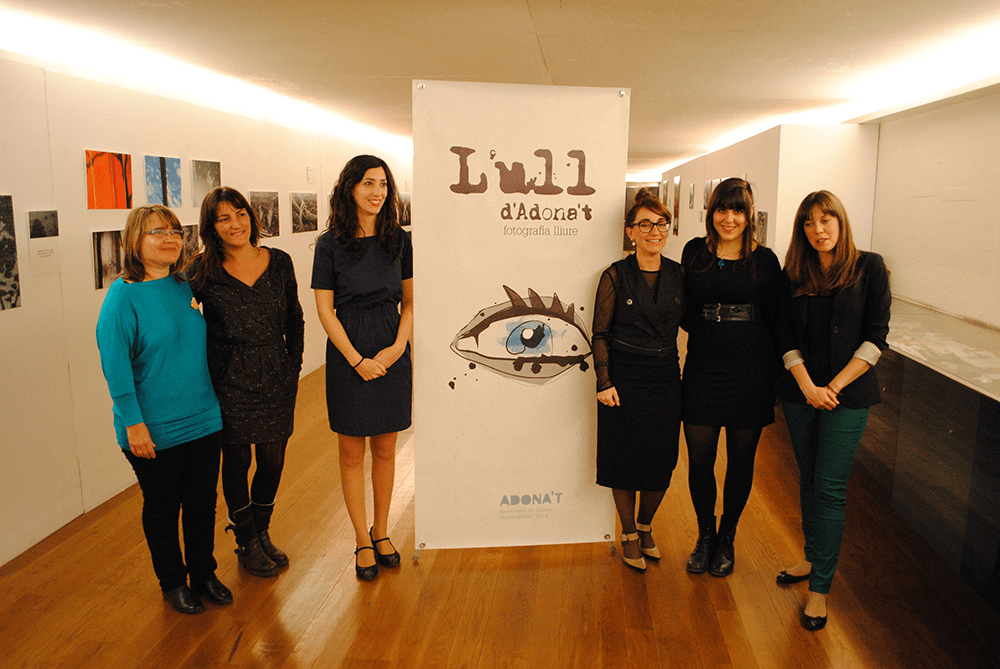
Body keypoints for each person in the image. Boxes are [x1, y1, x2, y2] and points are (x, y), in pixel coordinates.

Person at [96, 205, 229, 614]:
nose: (170, 239)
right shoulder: (122, 298)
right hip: (154, 426)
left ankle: (204, 573)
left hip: (203, 416)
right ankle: (172, 582)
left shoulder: (183, 283)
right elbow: (116, 367)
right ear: (135, 239)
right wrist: (134, 424)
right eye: (157, 232)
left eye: (175, 232)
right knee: (163, 507)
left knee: (202, 502)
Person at [775, 190, 890, 631]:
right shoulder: (793, 274)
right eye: (809, 222)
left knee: (829, 486)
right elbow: (784, 335)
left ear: (840, 222)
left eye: (826, 220)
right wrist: (808, 386)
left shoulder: (869, 267)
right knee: (807, 478)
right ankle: (812, 557)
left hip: (847, 396)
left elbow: (876, 338)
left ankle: (820, 589)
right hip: (802, 392)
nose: (818, 229)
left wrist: (833, 387)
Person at [188, 187, 305, 578]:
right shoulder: (202, 270)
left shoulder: (280, 261)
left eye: (240, 214)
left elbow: (295, 319)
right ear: (212, 227)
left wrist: (292, 366)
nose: (235, 224)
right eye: (223, 218)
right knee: (237, 462)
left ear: (251, 218)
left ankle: (262, 529)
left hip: (275, 374)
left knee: (272, 462)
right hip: (228, 378)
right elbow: (174, 311)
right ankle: (246, 540)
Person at [311, 155, 413, 581]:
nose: (377, 192)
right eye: (369, 183)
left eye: (383, 184)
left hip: (391, 345)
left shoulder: (400, 240)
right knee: (352, 453)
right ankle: (360, 538)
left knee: (386, 448)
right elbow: (325, 310)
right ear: (350, 187)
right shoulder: (329, 244)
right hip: (347, 350)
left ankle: (381, 531)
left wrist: (396, 348)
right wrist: (356, 360)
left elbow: (411, 303)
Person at [680, 178, 781, 577]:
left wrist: (777, 379)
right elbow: (685, 309)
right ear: (712, 212)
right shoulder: (694, 252)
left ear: (749, 215)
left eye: (738, 210)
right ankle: (705, 534)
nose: (729, 218)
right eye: (722, 209)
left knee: (740, 461)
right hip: (703, 368)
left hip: (751, 371)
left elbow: (776, 320)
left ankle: (727, 537)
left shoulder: (765, 260)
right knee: (700, 461)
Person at [592, 188, 685, 572]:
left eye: (661, 224)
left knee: (661, 462)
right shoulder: (615, 275)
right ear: (630, 232)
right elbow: (600, 334)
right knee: (624, 460)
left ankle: (646, 525)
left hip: (665, 378)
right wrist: (604, 381)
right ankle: (629, 532)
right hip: (624, 379)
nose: (654, 231)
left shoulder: (679, 274)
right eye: (645, 225)